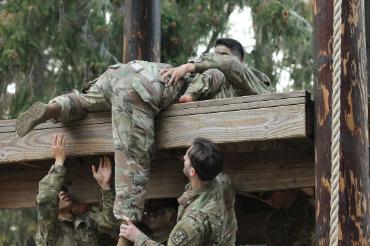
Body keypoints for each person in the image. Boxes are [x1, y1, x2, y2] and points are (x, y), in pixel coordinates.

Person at [16, 38, 269, 234]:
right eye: (211, 54)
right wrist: (190, 87)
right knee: (134, 154)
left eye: (219, 55)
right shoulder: (190, 75)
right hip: (146, 85)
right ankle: (126, 231)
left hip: (123, 74)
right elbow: (213, 72)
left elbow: (225, 68)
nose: (212, 59)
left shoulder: (243, 77)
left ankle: (52, 108)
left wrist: (193, 65)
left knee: (82, 100)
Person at [119, 138, 237, 245]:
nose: (184, 157)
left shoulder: (191, 224)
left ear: (192, 172)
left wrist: (138, 237)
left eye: (187, 156)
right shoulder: (222, 181)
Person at [35, 133, 119, 245]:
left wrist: (105, 187)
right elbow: (45, 199)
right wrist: (59, 161)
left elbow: (110, 224)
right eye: (58, 192)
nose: (62, 193)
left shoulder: (86, 222)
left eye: (63, 190)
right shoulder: (48, 231)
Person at [162, 38, 273, 103]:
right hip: (205, 122)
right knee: (215, 73)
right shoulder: (213, 79)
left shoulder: (250, 78)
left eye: (223, 55)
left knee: (217, 71)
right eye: (214, 55)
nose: (217, 59)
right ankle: (187, 98)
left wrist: (187, 67)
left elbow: (231, 64)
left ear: (241, 60)